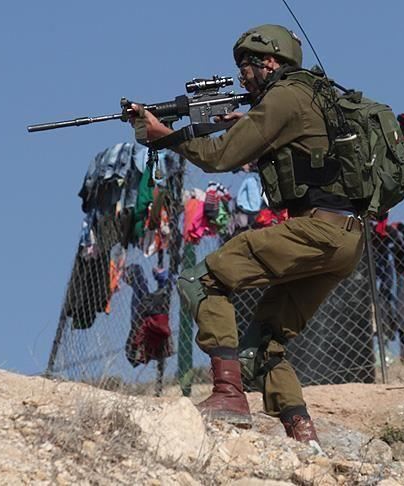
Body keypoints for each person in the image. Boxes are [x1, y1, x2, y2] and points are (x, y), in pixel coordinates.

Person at [129, 25, 364, 448]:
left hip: (316, 229)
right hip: (346, 238)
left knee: (202, 279)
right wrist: (249, 124)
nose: (242, 77)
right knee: (266, 341)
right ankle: (304, 439)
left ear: (269, 62)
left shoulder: (283, 97)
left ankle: (229, 395)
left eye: (246, 67)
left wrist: (167, 137)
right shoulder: (317, 94)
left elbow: (220, 157)